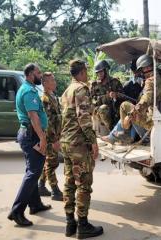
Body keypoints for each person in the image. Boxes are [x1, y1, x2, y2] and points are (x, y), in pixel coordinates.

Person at [60, 60, 103, 238]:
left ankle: (70, 224)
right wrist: (93, 142)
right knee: (84, 184)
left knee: (70, 183)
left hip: (66, 142)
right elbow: (84, 118)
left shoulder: (67, 90)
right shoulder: (81, 89)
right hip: (78, 144)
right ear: (83, 72)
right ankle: (83, 226)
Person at [7, 63, 51, 227]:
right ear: (31, 74)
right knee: (33, 173)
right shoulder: (28, 91)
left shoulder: (27, 88)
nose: (41, 76)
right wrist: (43, 138)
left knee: (32, 171)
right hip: (32, 135)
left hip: (29, 134)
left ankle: (35, 204)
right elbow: (33, 116)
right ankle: (17, 211)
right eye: (39, 73)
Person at [101, 54, 161, 144]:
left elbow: (145, 101)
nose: (142, 73)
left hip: (152, 122)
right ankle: (118, 135)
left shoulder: (150, 81)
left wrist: (130, 115)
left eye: (142, 70)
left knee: (125, 106)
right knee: (134, 109)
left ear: (146, 68)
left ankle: (118, 135)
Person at [37, 72, 63, 201]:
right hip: (51, 137)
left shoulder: (54, 96)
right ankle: (55, 190)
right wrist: (54, 140)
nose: (54, 82)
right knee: (52, 163)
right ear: (45, 83)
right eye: (51, 81)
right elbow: (47, 122)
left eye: (54, 80)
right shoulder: (45, 99)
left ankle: (41, 186)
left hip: (56, 135)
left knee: (49, 161)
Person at [90, 60, 124, 136]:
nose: (99, 74)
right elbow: (92, 100)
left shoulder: (115, 82)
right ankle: (111, 131)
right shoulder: (94, 85)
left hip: (115, 109)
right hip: (101, 111)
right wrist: (106, 97)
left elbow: (123, 95)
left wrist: (116, 95)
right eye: (97, 72)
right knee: (103, 108)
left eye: (101, 72)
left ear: (106, 71)